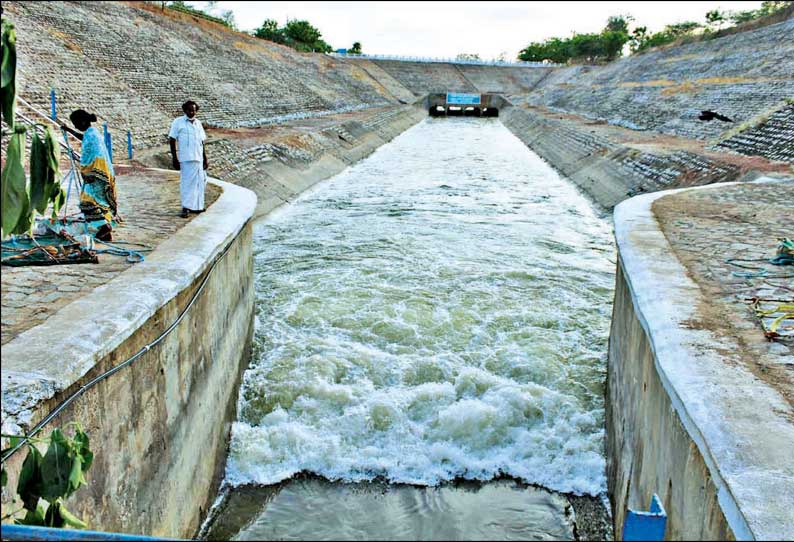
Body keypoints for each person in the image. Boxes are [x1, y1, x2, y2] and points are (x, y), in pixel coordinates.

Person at [61, 109, 118, 241]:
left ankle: (104, 227)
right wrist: (69, 130)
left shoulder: (92, 137)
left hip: (97, 175)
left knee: (88, 202)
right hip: (98, 174)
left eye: (75, 123)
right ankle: (105, 232)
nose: (75, 126)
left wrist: (91, 173)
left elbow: (98, 157)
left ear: (82, 121)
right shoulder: (91, 133)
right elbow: (83, 137)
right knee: (100, 202)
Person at [169, 100, 209, 218]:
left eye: (194, 110)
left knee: (200, 182)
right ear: (185, 110)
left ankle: (197, 206)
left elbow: (202, 142)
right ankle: (185, 207)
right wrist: (175, 158)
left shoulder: (198, 123)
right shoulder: (178, 122)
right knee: (187, 183)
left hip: (198, 157)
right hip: (186, 158)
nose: (192, 112)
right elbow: (172, 140)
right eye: (190, 110)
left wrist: (205, 158)